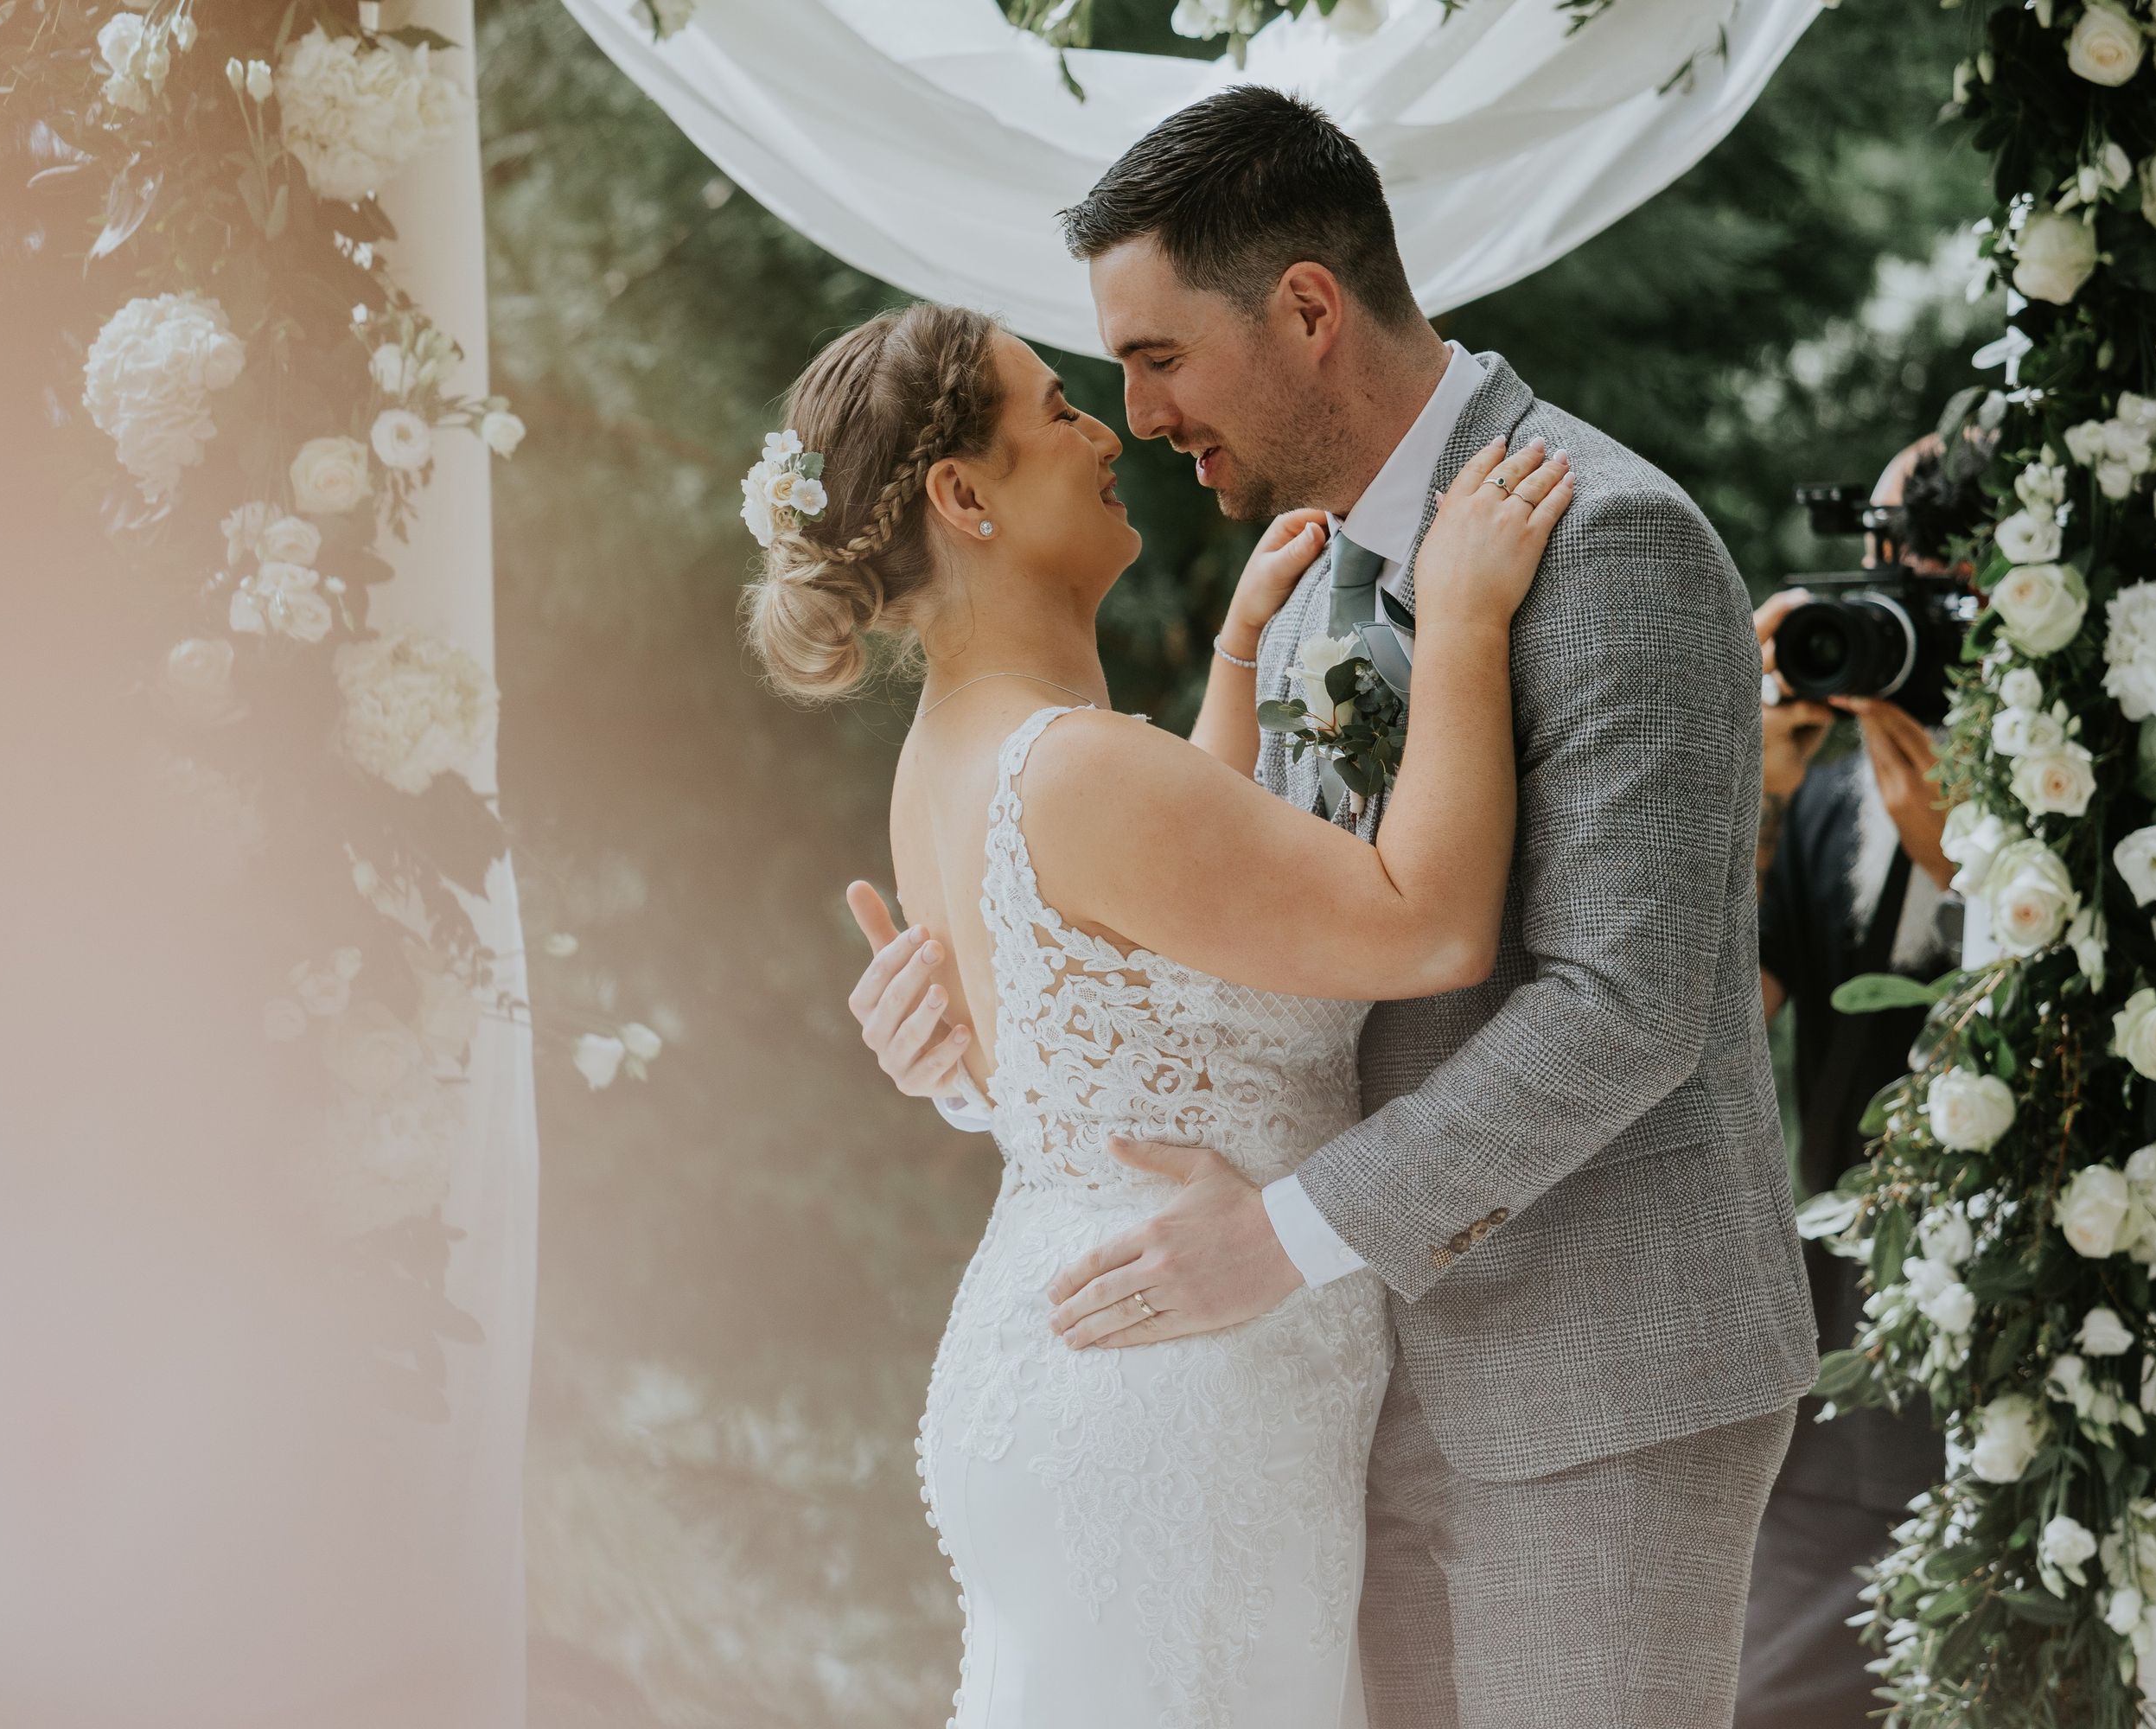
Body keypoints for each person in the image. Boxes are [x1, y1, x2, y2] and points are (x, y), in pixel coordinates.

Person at [840, 87, 1816, 1727]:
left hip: (1589, 1379)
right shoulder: (1312, 581)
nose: (1135, 414)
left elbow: (1624, 1011)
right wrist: (982, 1049)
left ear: (1305, 308)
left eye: (1156, 358)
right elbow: (1240, 960)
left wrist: (1278, 1244)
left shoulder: (1606, 540)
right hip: (1339, 1392)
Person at [749, 292, 1567, 1726]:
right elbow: (1426, 925)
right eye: (1054, 412)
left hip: (1072, 1351)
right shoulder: (1073, 767)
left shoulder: (952, 757)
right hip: (1174, 1404)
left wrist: (1241, 663)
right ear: (962, 494)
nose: (1108, 430)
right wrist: (1466, 618)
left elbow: (1165, 945)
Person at [1737, 436, 1975, 1729]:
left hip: (2036, 1365)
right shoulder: (1823, 802)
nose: (1902, 597)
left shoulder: (2127, 793)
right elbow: (1717, 1030)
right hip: (1840, 1375)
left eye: (1936, 568)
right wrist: (1760, 786)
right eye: (1882, 559)